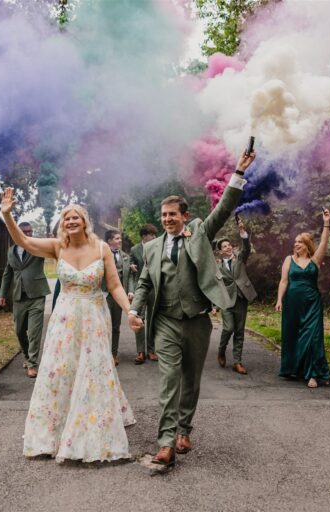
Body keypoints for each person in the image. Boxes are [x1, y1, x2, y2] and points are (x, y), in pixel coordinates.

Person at [129, 149, 256, 470]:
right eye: (164, 216)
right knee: (170, 379)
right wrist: (134, 310)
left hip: (198, 322)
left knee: (191, 379)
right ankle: (166, 441)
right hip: (166, 323)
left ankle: (185, 429)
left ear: (185, 216)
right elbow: (144, 283)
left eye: (173, 214)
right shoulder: (151, 248)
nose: (167, 219)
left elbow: (224, 209)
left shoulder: (199, 235)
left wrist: (238, 173)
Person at [0, 189, 135, 462]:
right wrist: (7, 215)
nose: (71, 222)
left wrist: (130, 311)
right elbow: (23, 240)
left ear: (85, 222)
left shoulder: (101, 248)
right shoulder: (57, 246)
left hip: (95, 317)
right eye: (66, 219)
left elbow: (115, 285)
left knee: (93, 369)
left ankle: (91, 430)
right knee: (59, 369)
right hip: (64, 318)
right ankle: (52, 432)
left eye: (75, 218)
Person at [275, 209, 330, 388]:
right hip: (292, 303)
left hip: (312, 303)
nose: (296, 244)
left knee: (313, 337)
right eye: (295, 242)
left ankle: (313, 374)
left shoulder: (315, 260)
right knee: (292, 335)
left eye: (300, 242)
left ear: (307, 244)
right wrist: (279, 300)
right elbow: (284, 281)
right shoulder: (288, 260)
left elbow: (324, 241)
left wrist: (326, 222)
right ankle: (295, 368)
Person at [0, 222, 51, 379]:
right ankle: (28, 356)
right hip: (19, 296)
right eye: (24, 231)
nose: (28, 233)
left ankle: (32, 363)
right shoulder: (11, 251)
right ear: (16, 232)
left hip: (37, 294)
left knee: (34, 332)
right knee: (19, 331)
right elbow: (8, 273)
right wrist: (2, 294)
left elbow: (51, 249)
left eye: (30, 231)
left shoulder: (38, 247)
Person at [214, 218, 258, 375]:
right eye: (224, 247)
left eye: (229, 245)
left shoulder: (240, 258)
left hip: (241, 298)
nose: (228, 248)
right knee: (228, 328)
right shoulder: (217, 267)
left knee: (239, 330)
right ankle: (221, 350)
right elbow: (215, 286)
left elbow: (246, 247)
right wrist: (214, 306)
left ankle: (237, 362)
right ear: (220, 251)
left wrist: (242, 232)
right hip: (226, 301)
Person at [102, 229, 134, 366]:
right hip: (104, 294)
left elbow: (130, 276)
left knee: (116, 326)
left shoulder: (125, 257)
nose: (119, 241)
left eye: (120, 238)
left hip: (119, 296)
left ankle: (113, 354)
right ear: (109, 241)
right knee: (103, 326)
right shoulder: (100, 255)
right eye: (116, 238)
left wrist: (130, 291)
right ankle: (102, 354)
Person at [129, 224, 159, 364]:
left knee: (152, 319)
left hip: (154, 288)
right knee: (139, 319)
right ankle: (140, 351)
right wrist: (131, 265)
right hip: (140, 288)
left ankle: (151, 350)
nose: (154, 237)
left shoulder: (158, 247)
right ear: (144, 236)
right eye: (151, 235)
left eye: (154, 235)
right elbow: (130, 264)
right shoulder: (134, 250)